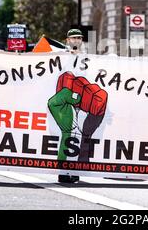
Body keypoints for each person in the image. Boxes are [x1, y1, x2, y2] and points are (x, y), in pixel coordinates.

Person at [57, 28, 84, 184]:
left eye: (79, 38)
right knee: (66, 134)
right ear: (67, 40)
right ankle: (63, 171)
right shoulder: (60, 55)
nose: (76, 40)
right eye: (73, 38)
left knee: (77, 137)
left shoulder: (86, 57)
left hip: (79, 102)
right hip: (64, 101)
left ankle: (73, 170)